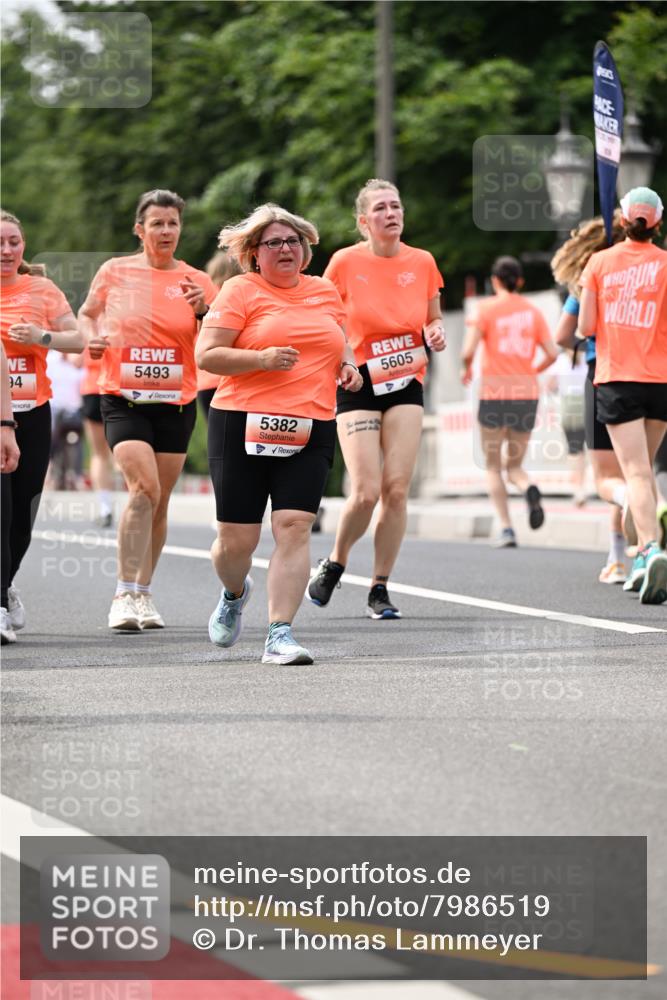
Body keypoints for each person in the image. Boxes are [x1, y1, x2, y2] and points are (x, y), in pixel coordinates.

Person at [196, 203, 363, 664]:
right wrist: (261, 359)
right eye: (274, 243)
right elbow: (206, 356)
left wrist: (348, 365)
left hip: (310, 425)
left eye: (294, 241)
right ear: (254, 252)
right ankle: (233, 593)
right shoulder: (239, 291)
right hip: (240, 422)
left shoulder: (324, 290)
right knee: (237, 542)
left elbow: (337, 335)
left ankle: (279, 633)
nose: (286, 249)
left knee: (294, 526)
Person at [78, 189, 218, 631]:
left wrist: (203, 311)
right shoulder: (114, 272)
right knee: (143, 489)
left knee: (160, 502)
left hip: (175, 404)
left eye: (172, 223)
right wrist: (91, 338)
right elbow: (86, 315)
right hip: (123, 398)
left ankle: (143, 593)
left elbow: (218, 334)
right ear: (140, 230)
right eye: (156, 223)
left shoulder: (196, 280)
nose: (166, 231)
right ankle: (122, 593)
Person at [307, 179, 445, 619]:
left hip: (405, 378)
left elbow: (433, 318)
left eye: (396, 206)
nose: (392, 213)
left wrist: (435, 332)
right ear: (364, 221)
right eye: (381, 208)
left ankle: (380, 587)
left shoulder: (422, 262)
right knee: (365, 491)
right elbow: (324, 317)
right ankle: (335, 561)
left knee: (397, 490)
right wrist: (341, 357)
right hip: (358, 380)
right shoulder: (345, 263)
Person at [579, 187, 667, 604]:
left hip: (618, 377)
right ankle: (638, 565)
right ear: (658, 223)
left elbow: (585, 327)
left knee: (633, 473)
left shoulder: (598, 262)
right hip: (661, 379)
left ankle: (650, 549)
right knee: (644, 471)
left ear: (622, 220)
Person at [0, 209, 83, 644]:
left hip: (33, 410)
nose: (7, 250)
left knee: (23, 512)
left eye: (13, 241)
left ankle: (4, 582)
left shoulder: (42, 289)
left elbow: (78, 339)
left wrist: (40, 337)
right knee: (0, 507)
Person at [551, 212, 630, 584]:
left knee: (611, 479)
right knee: (638, 473)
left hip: (604, 375)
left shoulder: (589, 279)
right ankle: (644, 553)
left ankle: (617, 559)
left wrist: (587, 345)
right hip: (652, 377)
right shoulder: (650, 272)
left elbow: (563, 335)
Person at [460, 256, 558, 547]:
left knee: (492, 467)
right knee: (514, 466)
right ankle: (529, 487)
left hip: (493, 394)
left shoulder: (486, 308)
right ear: (521, 282)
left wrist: (466, 369)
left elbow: (468, 351)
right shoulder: (533, 312)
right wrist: (531, 372)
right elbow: (552, 353)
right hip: (526, 395)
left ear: (495, 281)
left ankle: (506, 528)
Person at [196, 250, 242, 421]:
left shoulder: (202, 297)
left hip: (206, 381)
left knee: (217, 438)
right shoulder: (240, 296)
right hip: (235, 380)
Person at [78, 346, 115, 526]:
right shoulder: (123, 320)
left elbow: (75, 361)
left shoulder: (85, 322)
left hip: (93, 389)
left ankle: (105, 507)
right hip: (117, 387)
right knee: (122, 449)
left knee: (99, 454)